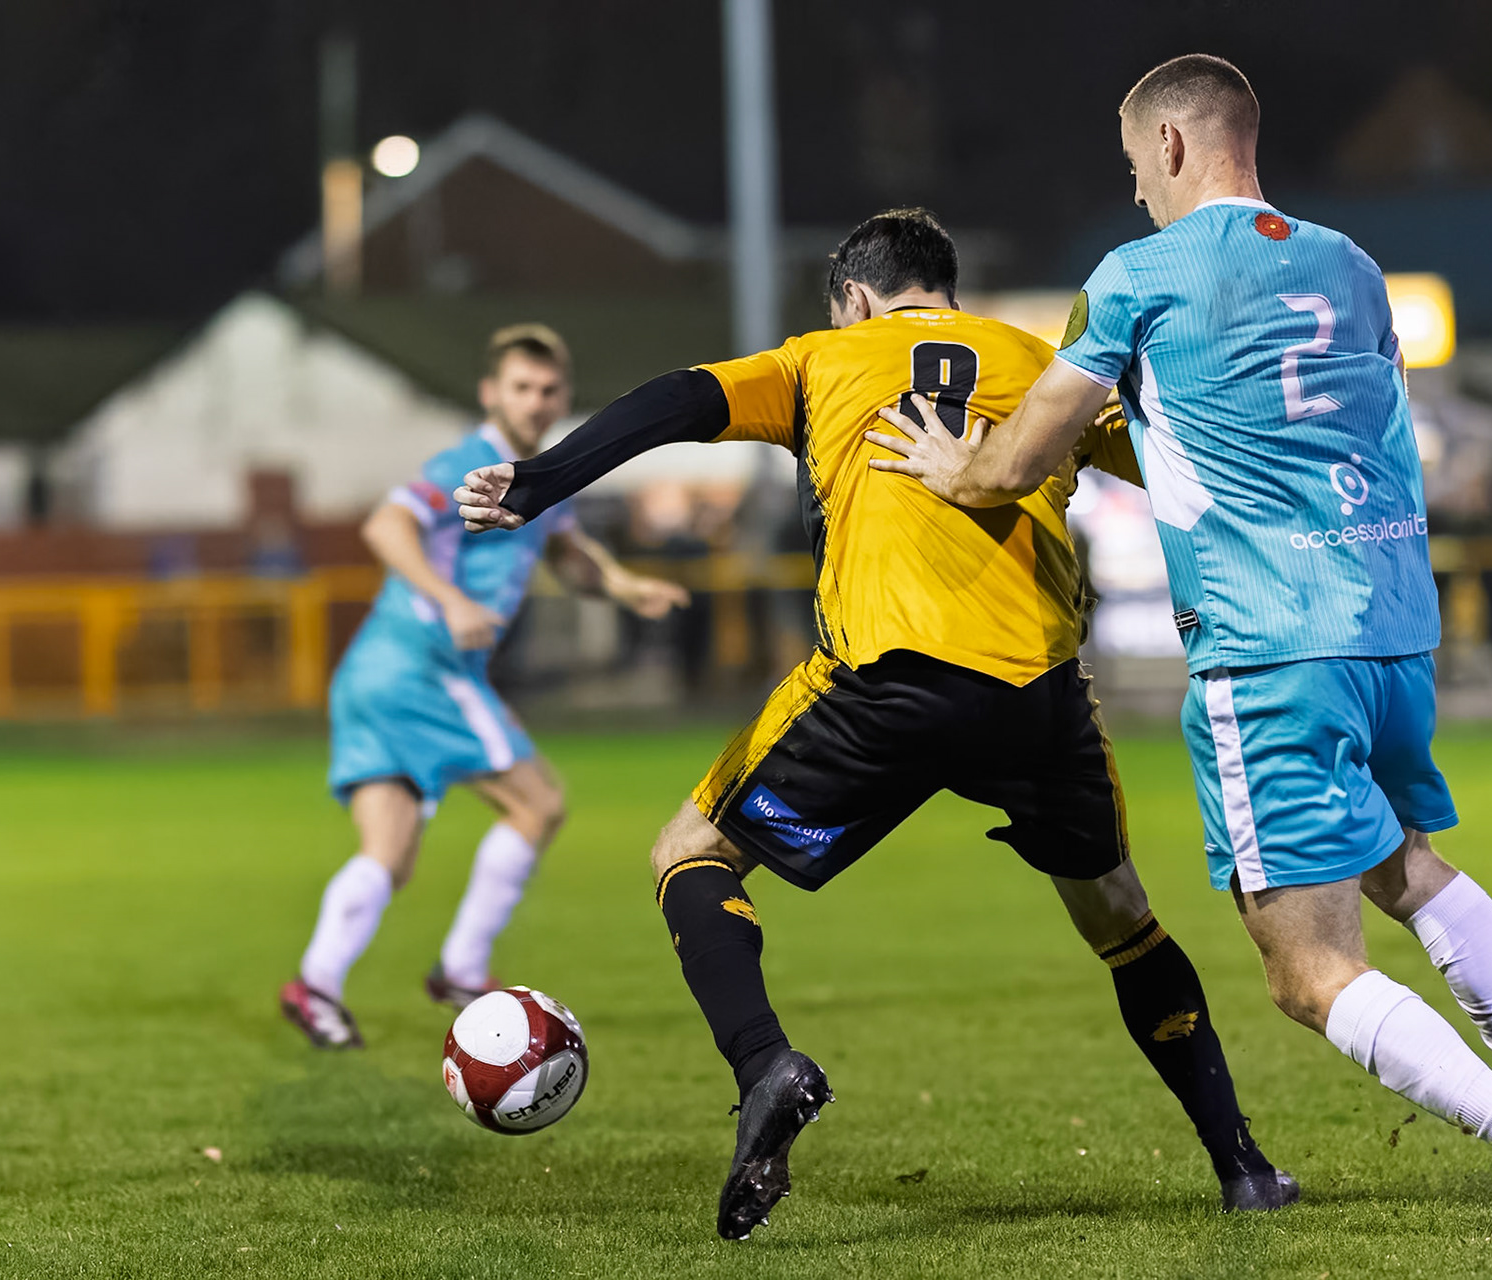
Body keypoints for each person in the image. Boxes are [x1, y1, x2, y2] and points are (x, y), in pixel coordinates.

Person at [865, 55, 1492, 1240]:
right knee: (1403, 862)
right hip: (1391, 624)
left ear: (1169, 148)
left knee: (1303, 968)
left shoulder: (1140, 276)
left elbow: (1017, 461)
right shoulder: (1351, 265)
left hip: (1271, 641)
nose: (1133, 195)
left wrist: (955, 465)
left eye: (1132, 169)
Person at [455, 210, 1298, 1240]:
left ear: (855, 296)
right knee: (1120, 914)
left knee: (690, 848)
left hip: (890, 682)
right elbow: (1183, 456)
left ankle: (766, 1062)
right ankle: (1243, 1165)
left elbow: (679, 398)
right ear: (943, 287)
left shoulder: (826, 358)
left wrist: (540, 481)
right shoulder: (1043, 362)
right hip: (1041, 697)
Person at [280, 325, 688, 1049]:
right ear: (490, 393)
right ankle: (463, 969)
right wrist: (450, 598)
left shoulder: (539, 474)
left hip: (371, 675)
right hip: (424, 669)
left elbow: (568, 551)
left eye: (548, 390)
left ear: (565, 394)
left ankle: (316, 987)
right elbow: (385, 526)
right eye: (521, 388)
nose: (536, 402)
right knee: (539, 803)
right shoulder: (468, 463)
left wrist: (626, 587)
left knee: (390, 852)